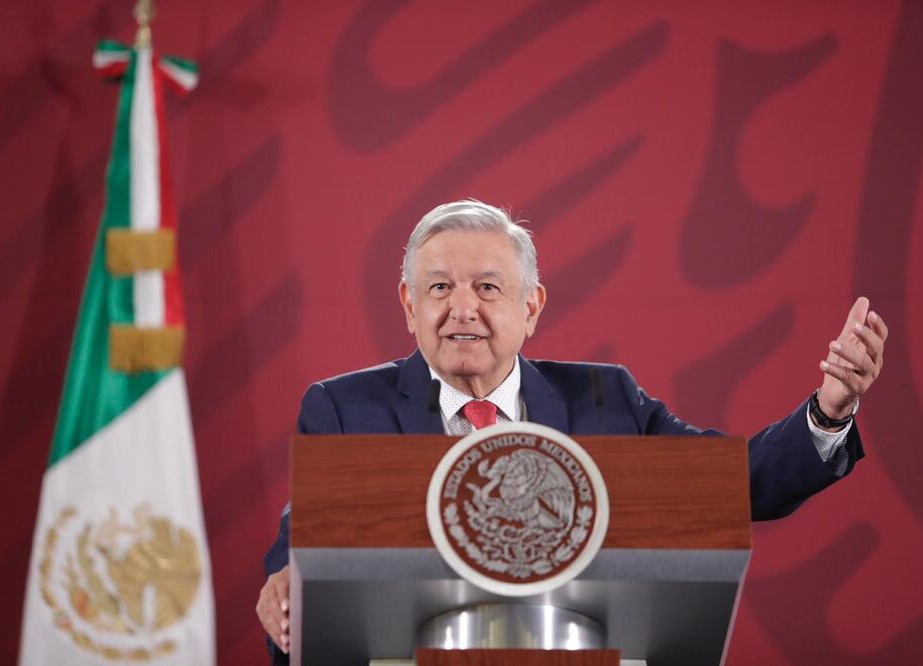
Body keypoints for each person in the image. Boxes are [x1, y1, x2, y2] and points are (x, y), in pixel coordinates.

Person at [256, 200, 888, 662]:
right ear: (408, 305)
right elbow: (301, 547)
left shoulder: (605, 400)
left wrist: (828, 412)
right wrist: (282, 590)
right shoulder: (342, 408)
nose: (462, 309)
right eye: (440, 288)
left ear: (530, 307)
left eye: (487, 288)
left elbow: (732, 483)